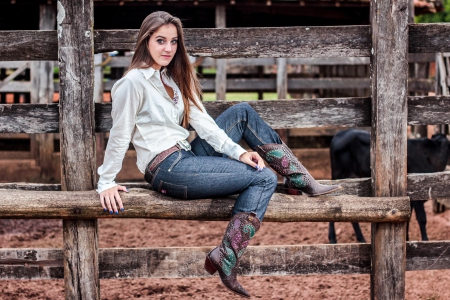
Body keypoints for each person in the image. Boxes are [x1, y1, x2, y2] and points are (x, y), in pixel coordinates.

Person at [97, 11, 341, 298]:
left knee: (242, 113)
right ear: (145, 40)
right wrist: (106, 181)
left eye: (174, 42)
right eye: (160, 40)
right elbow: (120, 133)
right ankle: (227, 257)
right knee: (262, 178)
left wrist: (238, 153)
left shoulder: (173, 81)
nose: (168, 48)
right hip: (167, 168)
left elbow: (205, 125)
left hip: (187, 155)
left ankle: (297, 177)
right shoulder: (132, 83)